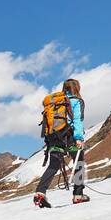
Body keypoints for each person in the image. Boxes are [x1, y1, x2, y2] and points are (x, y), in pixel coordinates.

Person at [34, 78, 88, 207]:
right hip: (69, 136)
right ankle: (78, 195)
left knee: (53, 165)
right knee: (78, 161)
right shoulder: (76, 101)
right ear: (77, 88)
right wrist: (79, 138)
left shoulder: (55, 103)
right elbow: (77, 120)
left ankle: (40, 193)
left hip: (54, 138)